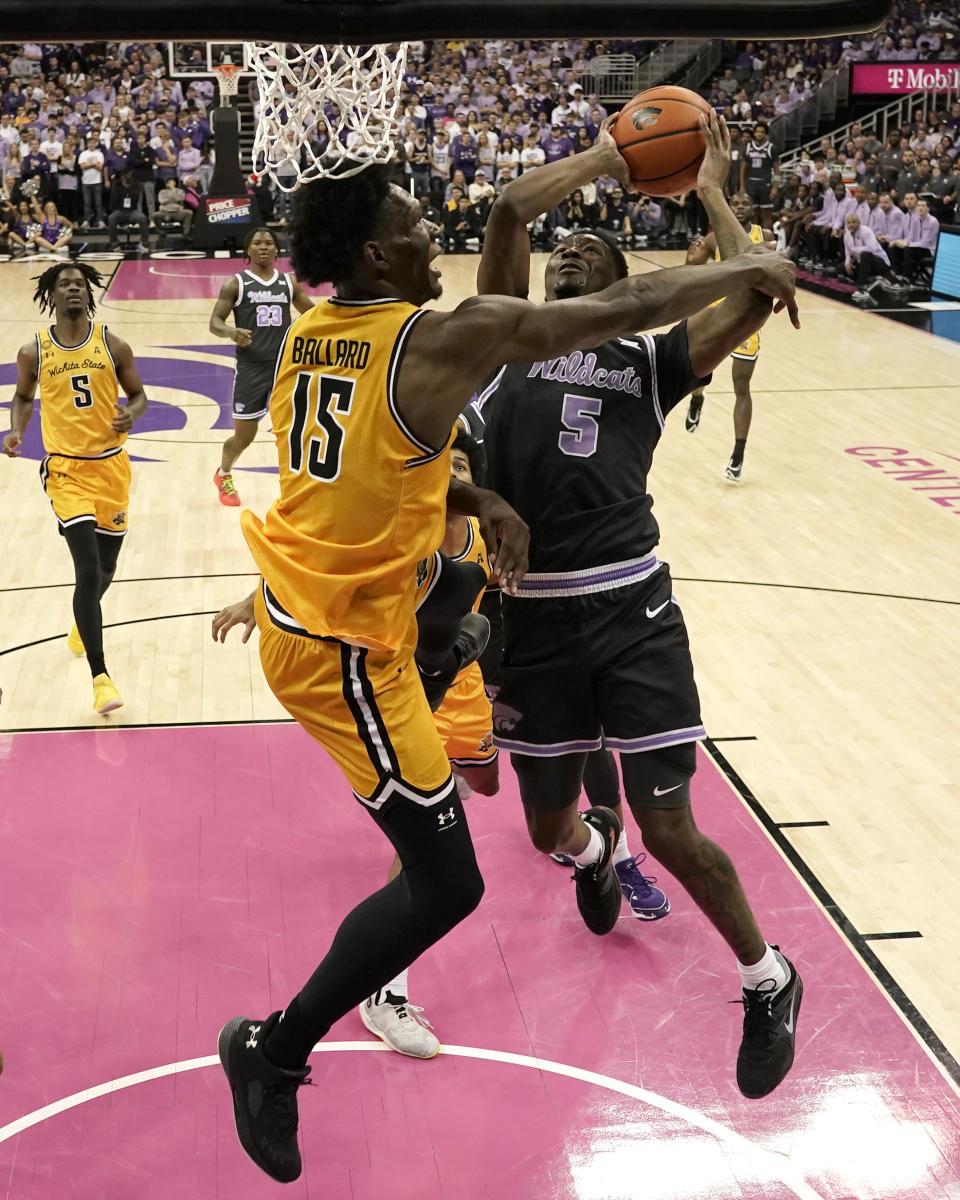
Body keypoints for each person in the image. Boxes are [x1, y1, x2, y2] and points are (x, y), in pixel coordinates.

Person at [216, 146, 797, 1183]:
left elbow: (375, 468)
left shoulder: (318, 332)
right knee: (446, 880)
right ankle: (274, 1049)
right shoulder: (445, 337)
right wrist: (738, 258)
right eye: (408, 222)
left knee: (471, 846)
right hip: (345, 649)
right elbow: (622, 301)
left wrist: (475, 498)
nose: (424, 235)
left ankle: (702, 936)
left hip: (359, 628)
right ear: (375, 251)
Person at [473, 112, 803, 1101]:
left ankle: (767, 977)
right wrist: (609, 164)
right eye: (561, 251)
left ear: (622, 285)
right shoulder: (498, 333)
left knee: (672, 825)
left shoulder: (648, 359)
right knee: (543, 828)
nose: (568, 253)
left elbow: (754, 288)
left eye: (589, 249)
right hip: (528, 616)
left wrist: (709, 187)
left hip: (630, 606)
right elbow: (506, 209)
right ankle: (593, 853)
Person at [1, 263, 148, 713]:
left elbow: (139, 395)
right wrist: (17, 430)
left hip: (111, 468)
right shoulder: (34, 351)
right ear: (52, 293)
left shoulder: (112, 344)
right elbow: (24, 397)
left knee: (105, 572)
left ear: (89, 294)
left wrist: (132, 414)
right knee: (86, 570)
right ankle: (101, 679)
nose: (72, 290)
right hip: (65, 471)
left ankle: (82, 622)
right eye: (64, 284)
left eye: (79, 284)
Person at [208, 227, 313, 506]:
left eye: (269, 242)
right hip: (251, 369)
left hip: (285, 367)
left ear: (277, 249)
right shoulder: (236, 284)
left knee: (296, 431)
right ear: (248, 250)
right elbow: (215, 322)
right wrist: (231, 332)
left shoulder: (289, 283)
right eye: (257, 243)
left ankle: (298, 485)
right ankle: (224, 473)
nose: (264, 246)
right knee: (245, 436)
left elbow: (313, 314)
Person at [684, 191, 774, 482]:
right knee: (699, 368)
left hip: (747, 317)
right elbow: (692, 270)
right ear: (729, 208)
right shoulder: (715, 238)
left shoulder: (766, 235)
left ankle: (738, 453)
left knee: (741, 386)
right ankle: (697, 398)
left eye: (746, 203)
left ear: (752, 208)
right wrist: (693, 256)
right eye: (735, 203)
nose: (741, 207)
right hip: (716, 312)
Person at [740, 123, 777, 223]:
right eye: (757, 132)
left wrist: (775, 187)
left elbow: (777, 169)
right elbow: (743, 169)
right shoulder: (748, 147)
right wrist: (742, 187)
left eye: (762, 132)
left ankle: (768, 238)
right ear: (754, 133)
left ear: (766, 134)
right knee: (752, 214)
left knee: (766, 215)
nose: (759, 134)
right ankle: (756, 238)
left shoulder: (771, 148)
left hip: (765, 184)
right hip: (751, 183)